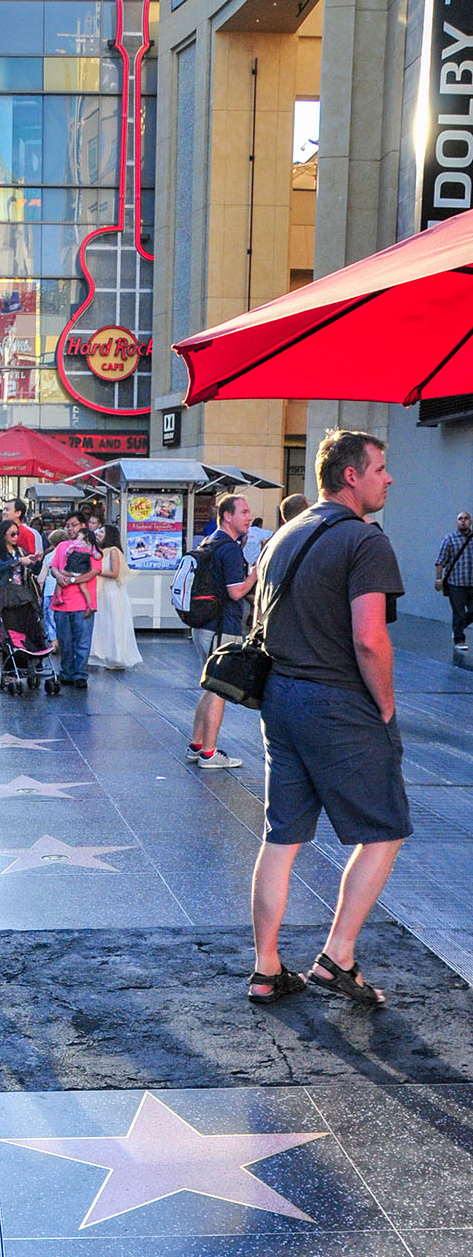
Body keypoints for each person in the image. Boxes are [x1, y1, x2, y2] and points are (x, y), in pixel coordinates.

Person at [248, 429, 410, 1008]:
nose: (388, 478)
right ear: (351, 476)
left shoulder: (284, 535)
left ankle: (266, 968)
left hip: (281, 697)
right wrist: (386, 709)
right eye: (380, 468)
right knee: (385, 830)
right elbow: (370, 639)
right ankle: (337, 956)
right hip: (338, 703)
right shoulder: (366, 543)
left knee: (281, 836)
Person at [187, 493, 255, 769]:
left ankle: (197, 744)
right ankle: (209, 753)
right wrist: (255, 574)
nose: (249, 517)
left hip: (203, 624)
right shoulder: (229, 548)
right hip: (221, 627)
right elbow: (236, 592)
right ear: (228, 516)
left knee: (209, 685)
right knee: (219, 689)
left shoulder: (210, 541)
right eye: (244, 512)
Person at [49, 520, 102, 689]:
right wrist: (59, 576)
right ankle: (66, 672)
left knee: (82, 641)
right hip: (62, 603)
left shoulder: (90, 545)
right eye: (68, 526)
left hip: (83, 603)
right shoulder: (62, 546)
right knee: (65, 641)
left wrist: (72, 580)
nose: (70, 529)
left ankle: (80, 674)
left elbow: (94, 571)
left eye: (74, 525)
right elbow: (53, 567)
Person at [88, 523, 141, 670]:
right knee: (104, 623)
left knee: (112, 622)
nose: (98, 533)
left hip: (111, 591)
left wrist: (95, 572)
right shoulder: (102, 551)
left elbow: (114, 573)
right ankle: (104, 654)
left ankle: (116, 656)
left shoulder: (113, 551)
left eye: (102, 531)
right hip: (103, 591)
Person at [435, 508, 473, 650]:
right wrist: (438, 579)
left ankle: (458, 628)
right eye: (460, 519)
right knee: (459, 612)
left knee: (470, 612)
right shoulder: (449, 539)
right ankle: (459, 639)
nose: (463, 521)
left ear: (470, 521)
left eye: (466, 518)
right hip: (455, 584)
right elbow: (440, 561)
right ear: (456, 522)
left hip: (471, 582)